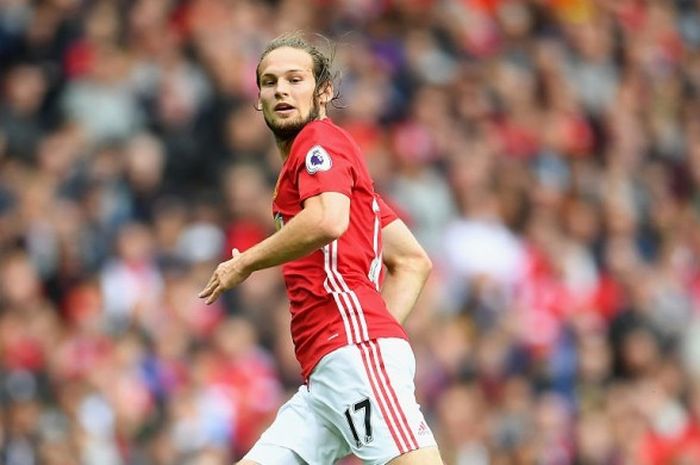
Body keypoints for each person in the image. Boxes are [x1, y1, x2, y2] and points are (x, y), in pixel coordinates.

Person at [199, 33, 444, 465]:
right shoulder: (341, 177)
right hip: (326, 369)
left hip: (350, 350)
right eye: (270, 82)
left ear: (324, 91)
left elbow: (329, 221)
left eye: (295, 79)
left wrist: (247, 264)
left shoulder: (318, 141)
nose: (281, 90)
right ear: (258, 99)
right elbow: (412, 261)